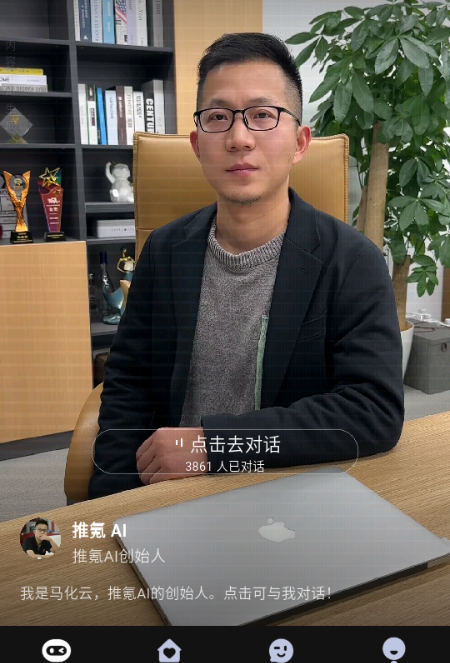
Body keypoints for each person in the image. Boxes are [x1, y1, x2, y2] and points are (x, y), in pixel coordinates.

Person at [89, 32, 404, 500]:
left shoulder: (353, 261)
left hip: (290, 493)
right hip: (168, 492)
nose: (239, 138)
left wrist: (215, 446)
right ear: (197, 144)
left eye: (262, 115)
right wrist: (111, 504)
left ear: (299, 142)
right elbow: (127, 387)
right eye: (218, 118)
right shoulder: (165, 250)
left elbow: (372, 411)